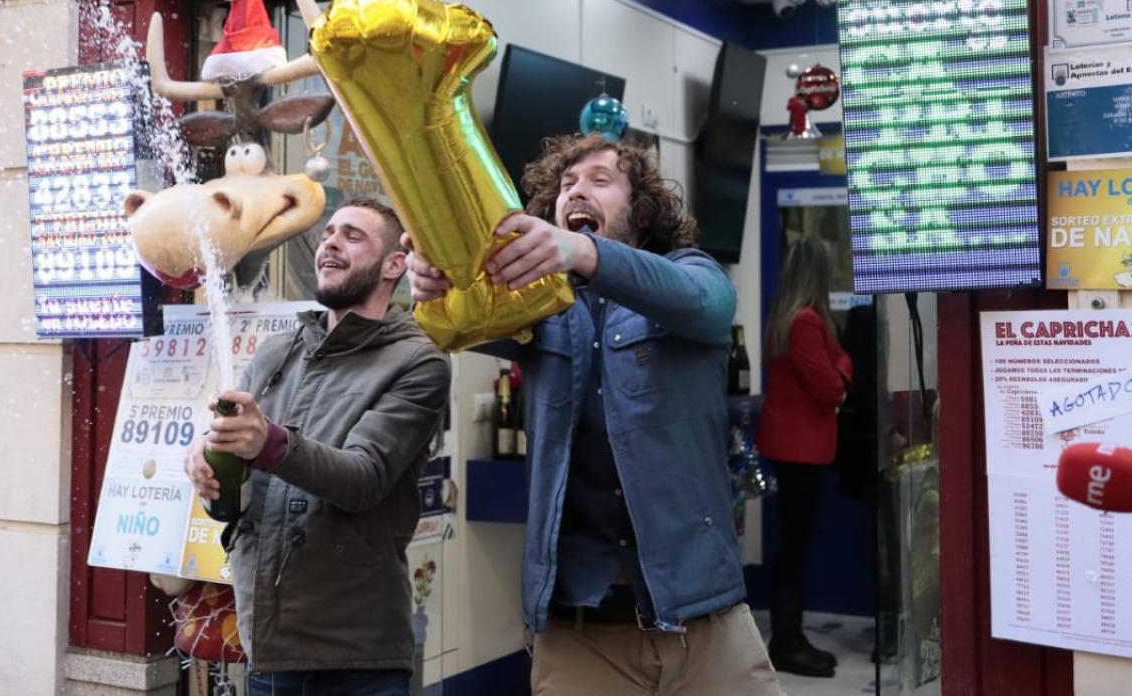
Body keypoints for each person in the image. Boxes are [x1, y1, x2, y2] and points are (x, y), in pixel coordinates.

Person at [407, 134, 782, 696]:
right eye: (566, 185)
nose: (576, 191)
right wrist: (433, 287)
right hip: (579, 635)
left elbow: (707, 303)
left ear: (642, 209)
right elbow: (458, 319)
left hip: (705, 624)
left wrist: (583, 254)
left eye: (599, 181)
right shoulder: (537, 303)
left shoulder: (689, 271)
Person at [185, 197, 451, 696]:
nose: (330, 241)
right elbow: (235, 500)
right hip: (267, 648)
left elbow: (362, 478)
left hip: (357, 660)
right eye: (329, 232)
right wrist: (208, 461)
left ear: (395, 264)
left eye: (353, 235)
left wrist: (269, 443)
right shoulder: (276, 352)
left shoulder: (419, 362)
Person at [755, 237, 851, 677]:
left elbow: (837, 364)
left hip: (790, 447)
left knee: (790, 547)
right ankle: (787, 643)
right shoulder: (807, 321)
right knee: (794, 550)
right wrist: (844, 374)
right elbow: (830, 385)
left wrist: (840, 366)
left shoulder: (784, 318)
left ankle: (789, 638)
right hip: (802, 449)